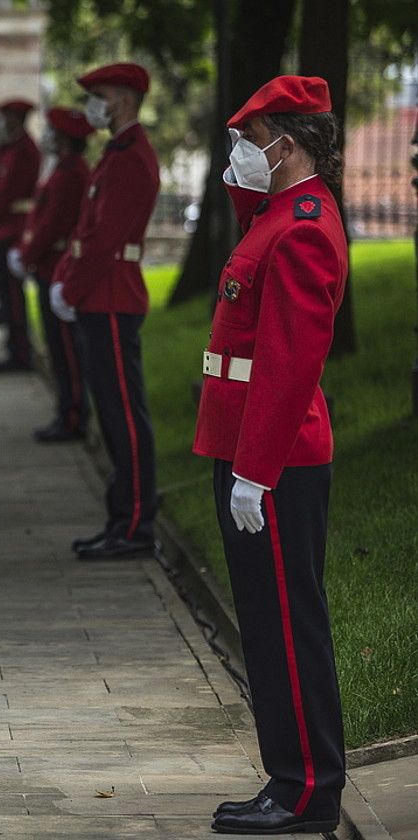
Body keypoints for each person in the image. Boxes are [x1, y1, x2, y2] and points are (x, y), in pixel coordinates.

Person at [194, 76, 347, 837]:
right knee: (264, 620)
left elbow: (289, 364)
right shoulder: (276, 215)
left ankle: (309, 788)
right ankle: (287, 778)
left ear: (286, 144)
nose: (240, 154)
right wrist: (237, 185)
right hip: (248, 449)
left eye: (250, 142)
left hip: (276, 458)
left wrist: (257, 469)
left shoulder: (306, 226)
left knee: (290, 623)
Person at [48, 63, 160, 560]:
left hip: (112, 297)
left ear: (126, 99)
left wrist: (71, 289)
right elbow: (87, 233)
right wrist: (68, 284)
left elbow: (105, 240)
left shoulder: (132, 157)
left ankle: (135, 524)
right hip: (101, 295)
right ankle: (123, 517)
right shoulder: (115, 154)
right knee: (113, 414)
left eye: (101, 94)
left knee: (123, 417)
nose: (93, 104)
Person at [9, 107, 95, 441]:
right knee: (58, 347)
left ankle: (73, 415)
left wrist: (27, 254)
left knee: (66, 350)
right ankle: (67, 410)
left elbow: (52, 223)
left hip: (56, 265)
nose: (47, 139)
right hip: (48, 264)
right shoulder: (61, 170)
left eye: (53, 134)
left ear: (64, 140)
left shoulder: (71, 174)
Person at [0, 99, 41, 371]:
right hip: (2, 227)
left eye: (5, 118)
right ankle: (14, 349)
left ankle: (20, 353)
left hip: (12, 229)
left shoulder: (23, 151)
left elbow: (8, 193)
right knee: (7, 295)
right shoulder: (8, 148)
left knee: (13, 297)